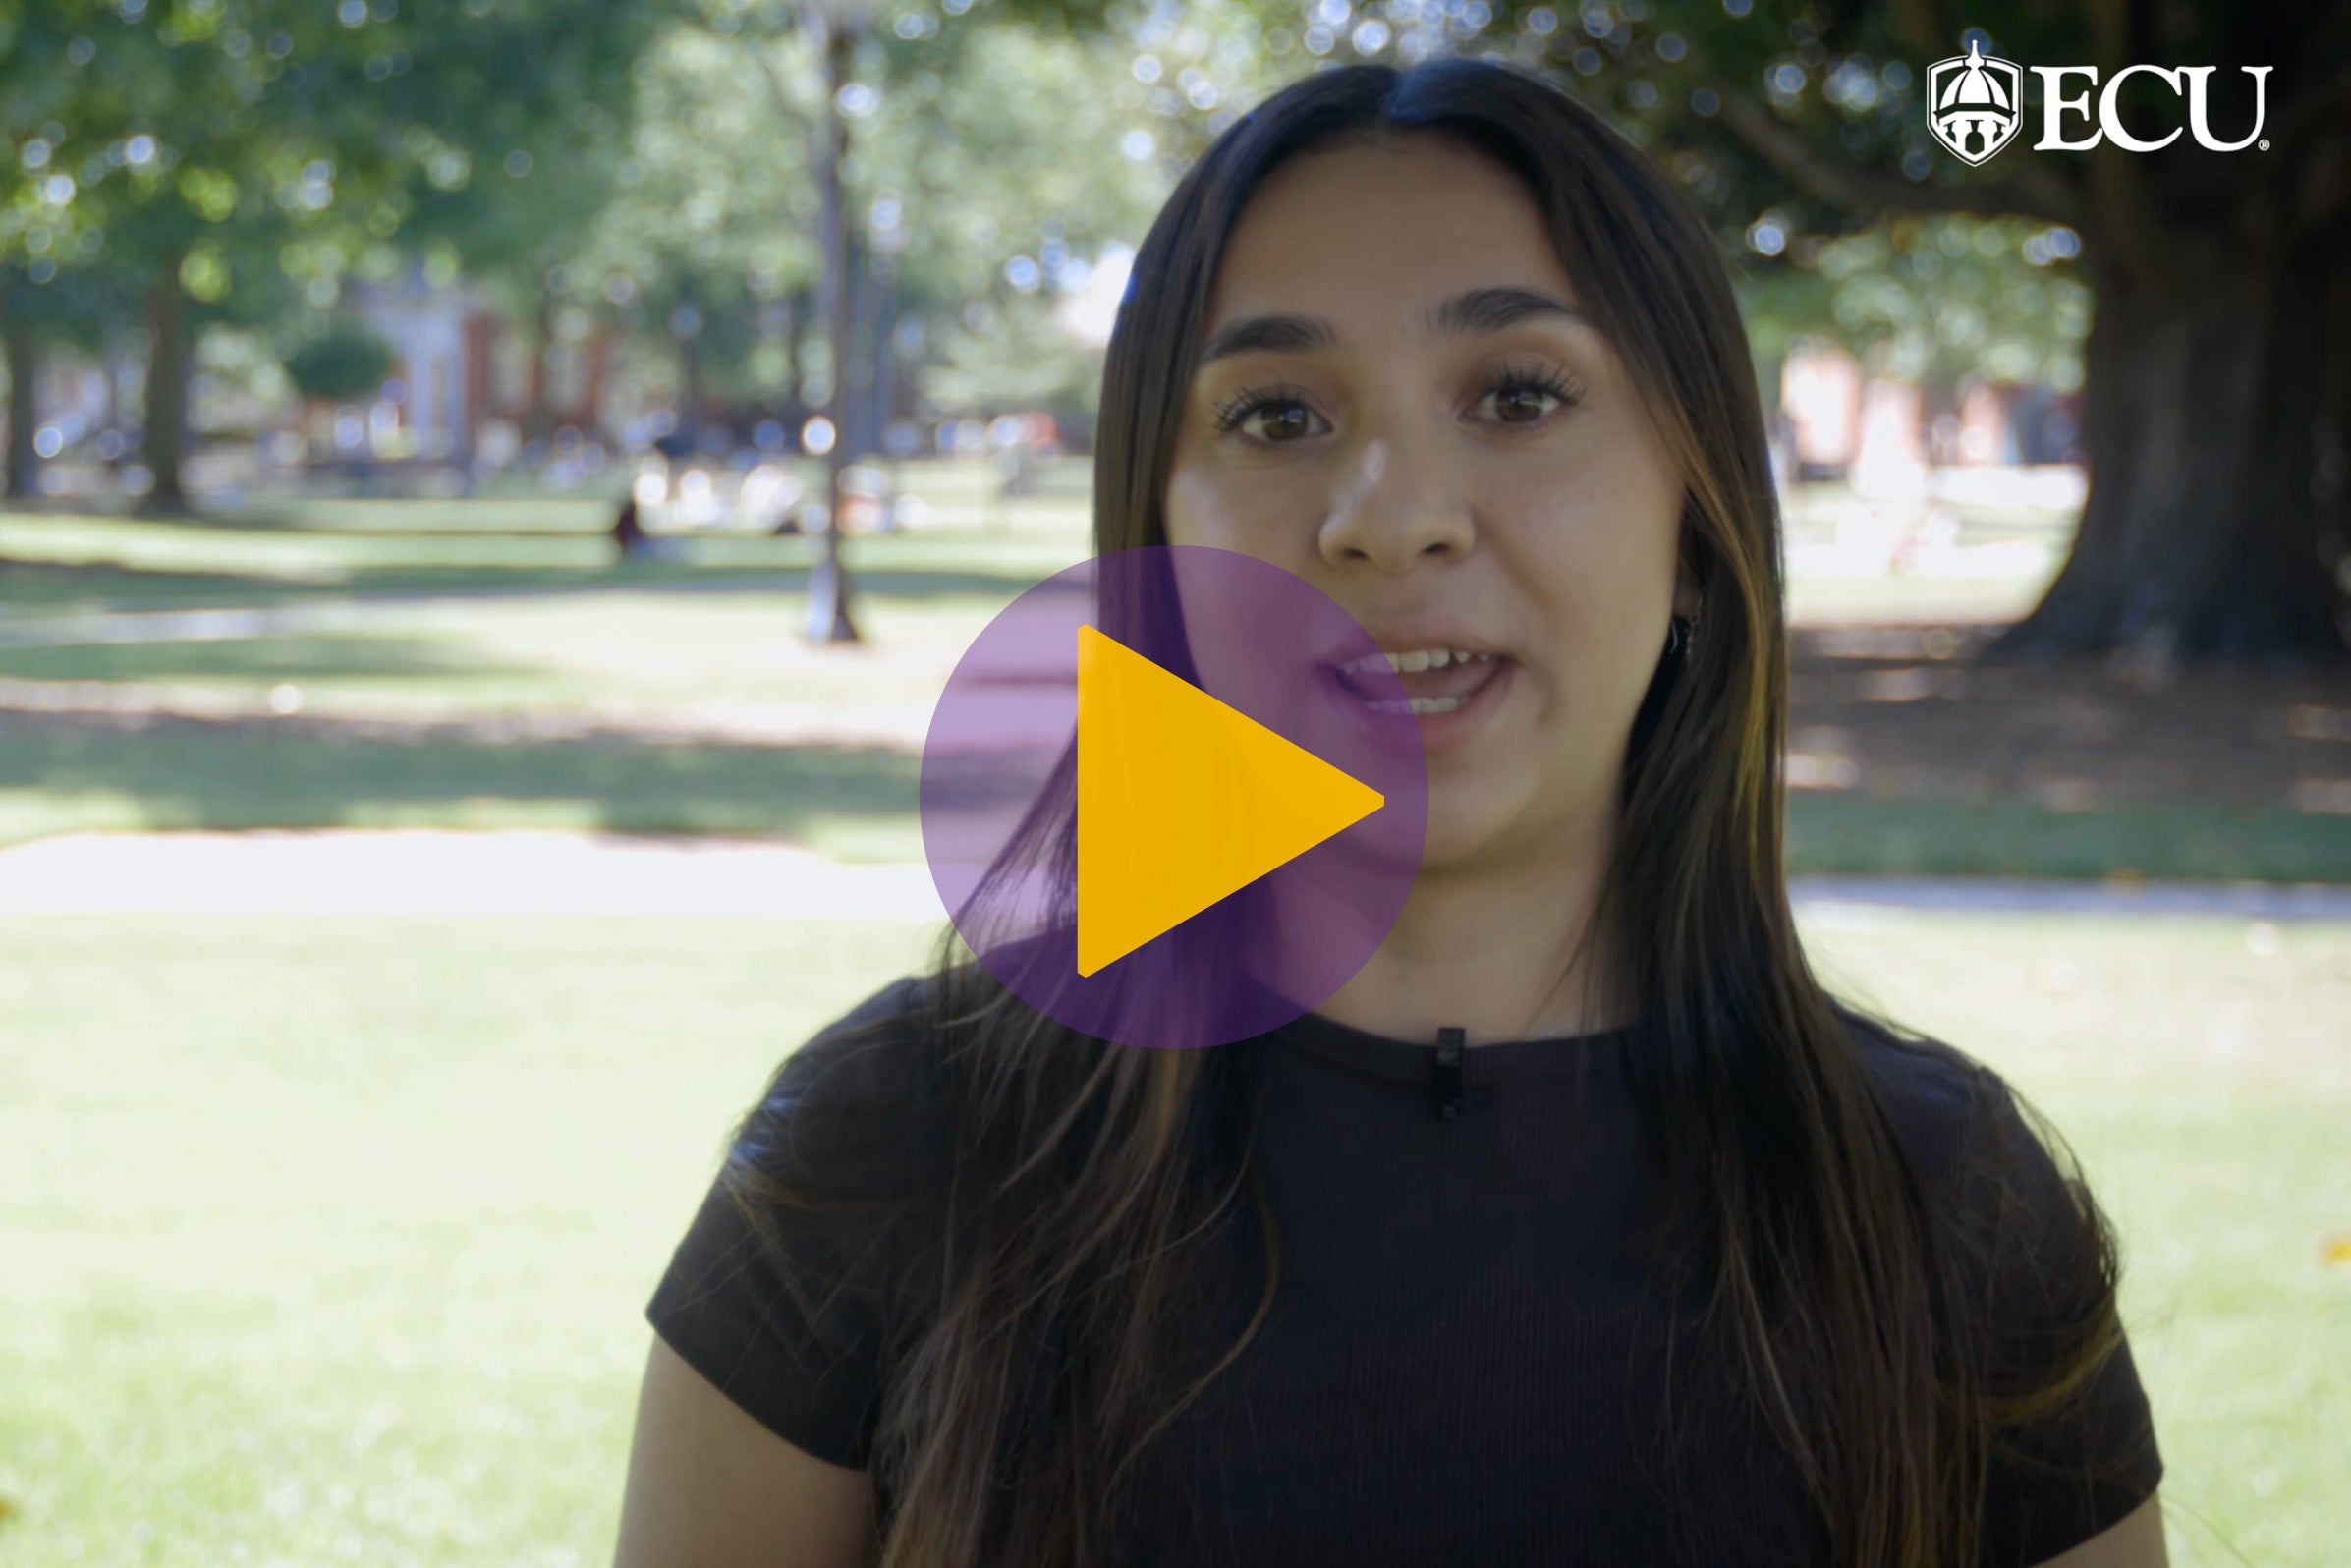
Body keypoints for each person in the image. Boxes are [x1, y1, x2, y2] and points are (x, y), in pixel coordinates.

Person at [614, 59, 2165, 1568]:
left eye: (1516, 394)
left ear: (1696, 533)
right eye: (1276, 417)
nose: (1389, 514)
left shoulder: (1943, 1210)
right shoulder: (892, 1155)